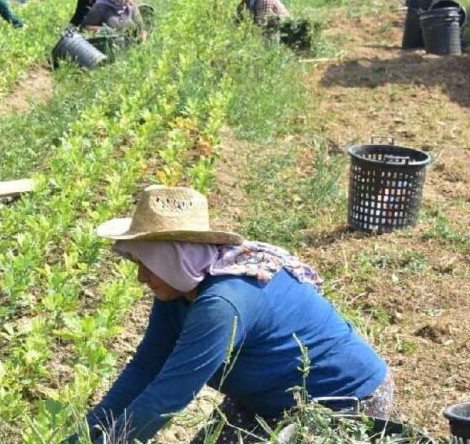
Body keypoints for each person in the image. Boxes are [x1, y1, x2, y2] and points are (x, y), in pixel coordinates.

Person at [66, 185, 393, 444]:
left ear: (174, 258)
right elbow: (146, 367)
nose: (141, 277)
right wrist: (83, 436)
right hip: (266, 402)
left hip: (343, 403)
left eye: (145, 263)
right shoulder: (179, 288)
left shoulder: (222, 302)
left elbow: (169, 394)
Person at [79, 0, 148, 41]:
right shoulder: (101, 7)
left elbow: (141, 27)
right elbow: (85, 27)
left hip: (130, 42)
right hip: (107, 44)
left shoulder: (131, 6)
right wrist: (104, 30)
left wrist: (143, 42)